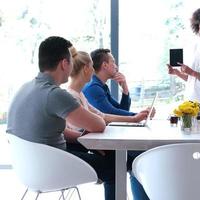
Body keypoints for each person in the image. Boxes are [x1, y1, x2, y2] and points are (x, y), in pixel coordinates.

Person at [6, 36, 115, 200]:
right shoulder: (54, 94)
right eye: (71, 61)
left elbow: (51, 130)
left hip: (28, 168)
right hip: (52, 167)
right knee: (115, 166)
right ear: (64, 63)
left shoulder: (25, 88)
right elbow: (99, 125)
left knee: (110, 155)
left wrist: (82, 139)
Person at [82, 48, 151, 200]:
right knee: (140, 157)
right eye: (113, 62)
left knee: (138, 158)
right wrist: (136, 117)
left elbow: (120, 110)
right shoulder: (93, 87)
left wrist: (125, 89)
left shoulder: (101, 86)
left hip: (106, 137)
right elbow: (110, 114)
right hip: (100, 144)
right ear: (105, 65)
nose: (116, 66)